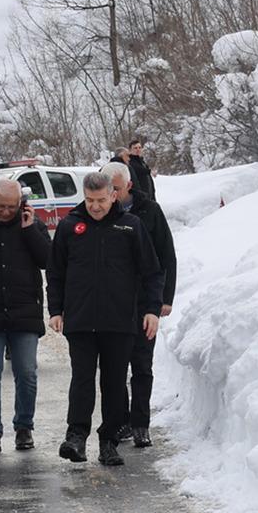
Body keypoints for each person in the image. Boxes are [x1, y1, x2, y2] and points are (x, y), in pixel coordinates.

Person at [47, 171, 163, 466]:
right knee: (82, 378)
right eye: (89, 200)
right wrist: (56, 310)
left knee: (113, 382)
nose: (95, 206)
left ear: (114, 195)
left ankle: (109, 439)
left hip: (120, 319)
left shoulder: (131, 226)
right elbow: (56, 273)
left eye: (101, 200)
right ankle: (76, 436)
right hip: (81, 318)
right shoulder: (70, 226)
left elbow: (151, 272)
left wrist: (151, 309)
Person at [0, 179, 51, 456]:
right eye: (0, 206)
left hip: (24, 311)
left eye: (11, 207)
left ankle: (24, 427)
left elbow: (48, 260)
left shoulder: (32, 225)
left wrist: (29, 231)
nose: (5, 211)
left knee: (26, 373)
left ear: (20, 204)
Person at [101, 162, 176, 449]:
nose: (112, 194)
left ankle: (141, 423)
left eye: (116, 189)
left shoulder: (150, 211)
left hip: (145, 300)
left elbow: (166, 256)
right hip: (114, 303)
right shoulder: (102, 213)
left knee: (142, 365)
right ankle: (120, 421)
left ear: (128, 186)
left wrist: (164, 300)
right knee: (115, 366)